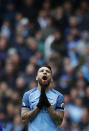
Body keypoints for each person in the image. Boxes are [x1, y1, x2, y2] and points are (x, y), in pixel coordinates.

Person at [21, 65, 64, 131]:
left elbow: (59, 122)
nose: (44, 72)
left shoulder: (59, 96)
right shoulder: (28, 95)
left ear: (51, 79)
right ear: (37, 77)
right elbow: (24, 120)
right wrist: (38, 107)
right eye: (41, 71)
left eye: (47, 71)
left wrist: (49, 106)